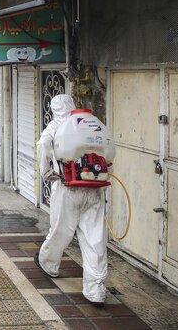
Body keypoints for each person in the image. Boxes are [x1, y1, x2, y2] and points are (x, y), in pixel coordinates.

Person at [34, 94, 108, 307]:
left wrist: (47, 173)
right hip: (95, 188)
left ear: (54, 108)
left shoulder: (56, 126)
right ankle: (96, 291)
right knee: (95, 239)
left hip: (68, 188)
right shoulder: (89, 124)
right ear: (72, 105)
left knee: (61, 230)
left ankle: (49, 264)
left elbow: (42, 146)